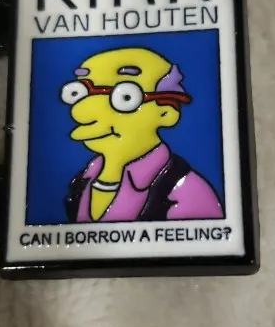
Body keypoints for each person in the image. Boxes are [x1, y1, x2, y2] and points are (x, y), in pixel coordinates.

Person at [60, 46, 224, 222]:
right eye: (79, 93)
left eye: (126, 97)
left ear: (165, 112)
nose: (81, 112)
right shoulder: (82, 182)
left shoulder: (184, 192)